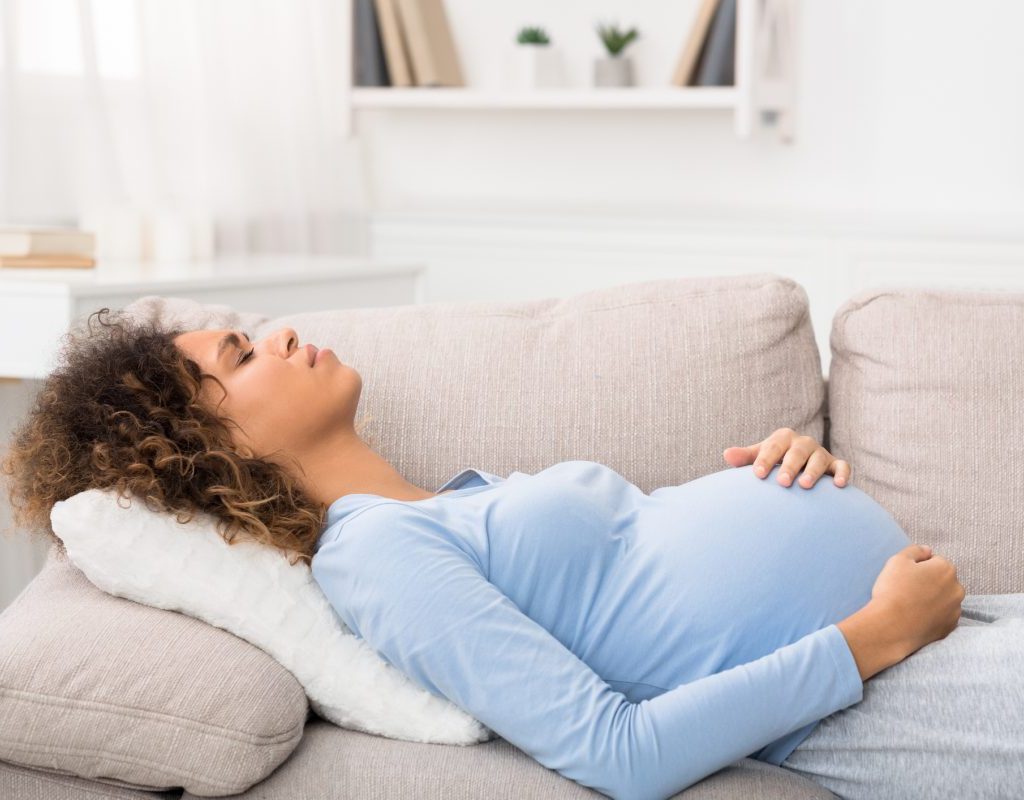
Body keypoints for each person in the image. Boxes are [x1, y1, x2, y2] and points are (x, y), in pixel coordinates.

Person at [3, 309, 1019, 800]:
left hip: (953, 628)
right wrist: (874, 635)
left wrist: (791, 464)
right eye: (240, 354)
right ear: (215, 447)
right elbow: (622, 751)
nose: (277, 335)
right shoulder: (377, 560)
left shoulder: (448, 504)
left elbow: (649, 562)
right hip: (889, 688)